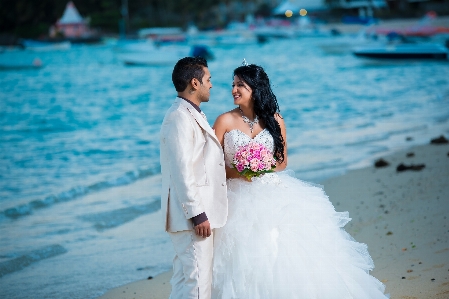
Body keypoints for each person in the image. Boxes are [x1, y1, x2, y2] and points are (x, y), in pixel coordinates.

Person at [211, 62, 389, 298]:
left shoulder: (275, 119)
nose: (234, 89)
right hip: (235, 196)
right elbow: (212, 165)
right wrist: (242, 171)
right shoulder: (224, 121)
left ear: (256, 88)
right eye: (232, 84)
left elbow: (282, 162)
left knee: (281, 247)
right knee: (243, 255)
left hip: (272, 191)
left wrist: (261, 166)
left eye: (240, 85)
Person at [160, 57, 228, 299]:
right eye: (208, 80)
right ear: (194, 83)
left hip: (189, 217)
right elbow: (181, 170)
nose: (212, 85)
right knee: (198, 284)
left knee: (184, 281)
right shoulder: (179, 116)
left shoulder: (190, 113)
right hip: (191, 218)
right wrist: (197, 213)